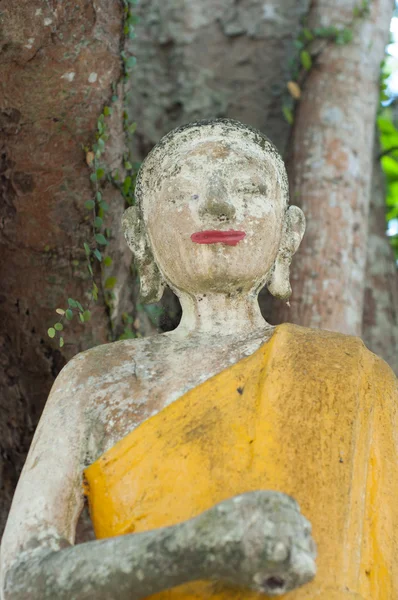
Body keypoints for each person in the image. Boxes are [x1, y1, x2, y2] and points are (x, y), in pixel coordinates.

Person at [1, 119, 396, 600]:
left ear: (290, 234)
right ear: (139, 235)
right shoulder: (98, 379)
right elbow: (18, 581)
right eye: (184, 189)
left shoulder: (352, 373)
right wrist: (192, 547)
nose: (219, 206)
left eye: (249, 187)